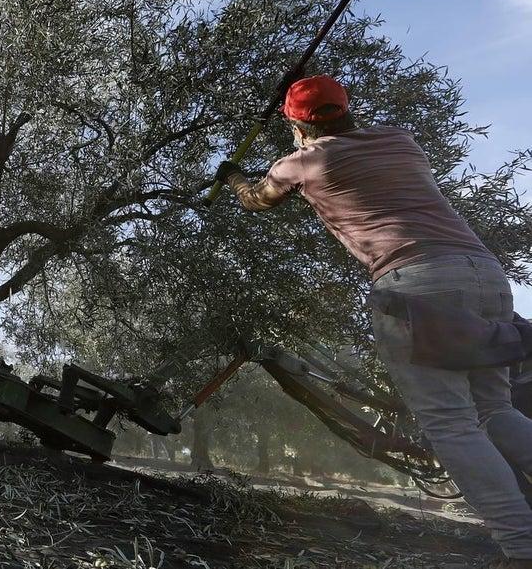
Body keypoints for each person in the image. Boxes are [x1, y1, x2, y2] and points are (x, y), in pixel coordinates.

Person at [215, 74, 532, 567]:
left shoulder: (303, 161)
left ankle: (522, 548)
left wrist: (231, 174)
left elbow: (257, 199)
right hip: (486, 275)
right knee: (494, 409)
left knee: (450, 422)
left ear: (296, 125)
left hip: (417, 285)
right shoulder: (399, 139)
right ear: (347, 108)